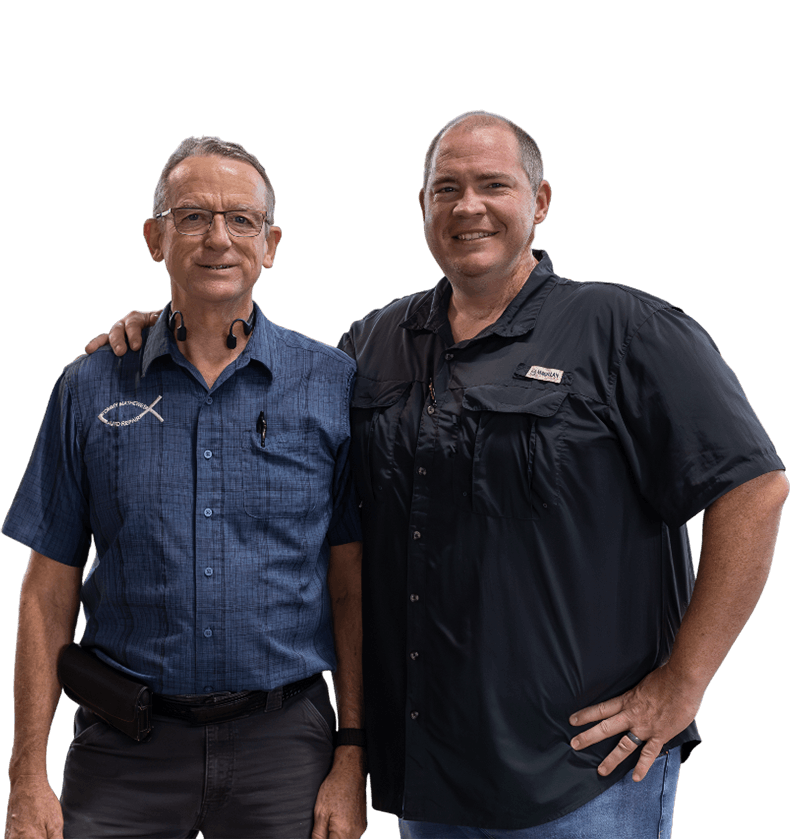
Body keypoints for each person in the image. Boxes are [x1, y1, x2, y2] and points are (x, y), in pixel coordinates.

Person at [80, 113, 788, 838]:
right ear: (421, 206)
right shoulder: (375, 342)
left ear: (539, 201)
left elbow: (754, 489)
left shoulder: (625, 330)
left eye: (492, 185)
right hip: (430, 776)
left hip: (582, 773)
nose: (467, 206)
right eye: (445, 188)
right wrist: (173, 325)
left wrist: (682, 683)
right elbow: (264, 385)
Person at [3, 137, 367, 839]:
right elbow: (47, 589)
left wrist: (351, 755)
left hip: (286, 749)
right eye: (192, 215)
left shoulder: (332, 384)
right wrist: (26, 774)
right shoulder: (89, 387)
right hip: (122, 751)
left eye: (241, 220)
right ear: (154, 237)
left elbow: (349, 582)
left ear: (271, 245)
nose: (217, 238)